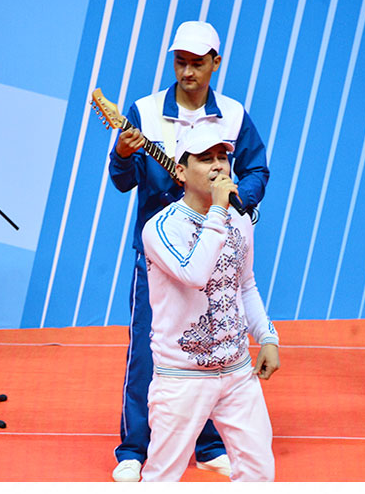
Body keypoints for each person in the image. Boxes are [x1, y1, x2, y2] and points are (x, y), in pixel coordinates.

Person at [108, 20, 269, 480]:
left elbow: (257, 169)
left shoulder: (234, 115)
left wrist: (237, 199)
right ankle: (134, 448)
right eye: (180, 63)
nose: (187, 73)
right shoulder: (142, 110)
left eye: (197, 64)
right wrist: (122, 152)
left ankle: (208, 441)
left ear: (216, 63)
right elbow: (122, 180)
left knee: (216, 337)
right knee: (149, 347)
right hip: (161, 248)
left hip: (217, 242)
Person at [140, 124, 280, 482]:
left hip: (236, 372)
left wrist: (267, 337)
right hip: (182, 376)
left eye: (223, 158)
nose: (219, 167)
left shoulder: (239, 219)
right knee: (162, 478)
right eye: (206, 159)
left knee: (259, 473)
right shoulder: (160, 229)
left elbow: (245, 284)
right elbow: (195, 274)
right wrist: (218, 211)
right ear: (181, 171)